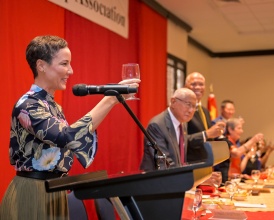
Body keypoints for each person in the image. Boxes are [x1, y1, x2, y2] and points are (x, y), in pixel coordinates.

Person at [0, 35, 140, 220]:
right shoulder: (28, 105)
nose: (71, 71)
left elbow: (74, 138)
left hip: (55, 191)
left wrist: (111, 101)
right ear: (41, 65)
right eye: (64, 64)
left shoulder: (53, 107)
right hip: (33, 192)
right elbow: (67, 137)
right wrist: (110, 99)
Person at [140, 88, 201, 171]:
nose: (191, 110)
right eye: (188, 104)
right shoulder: (157, 126)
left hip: (176, 179)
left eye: (194, 106)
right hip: (157, 181)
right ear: (173, 102)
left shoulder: (183, 123)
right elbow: (165, 164)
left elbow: (180, 163)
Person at [184, 72, 225, 163]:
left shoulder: (205, 111)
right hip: (189, 164)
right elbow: (182, 140)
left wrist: (217, 133)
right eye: (193, 84)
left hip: (205, 162)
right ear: (185, 87)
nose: (198, 87)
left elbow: (208, 137)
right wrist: (206, 134)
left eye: (201, 84)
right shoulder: (183, 109)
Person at [215, 118, 263, 182]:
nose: (242, 131)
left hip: (235, 179)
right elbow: (236, 153)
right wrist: (253, 140)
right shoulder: (224, 141)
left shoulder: (234, 143)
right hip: (224, 181)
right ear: (230, 129)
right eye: (239, 128)